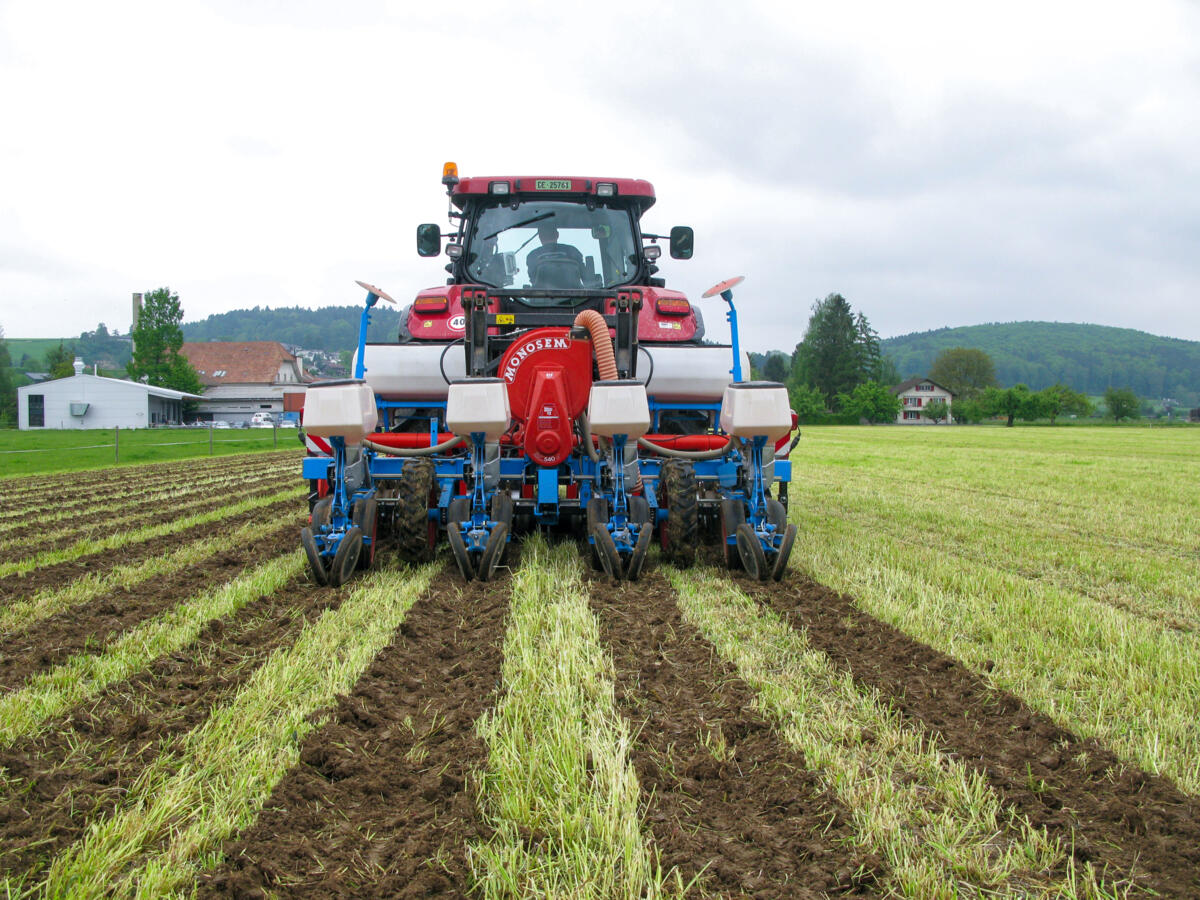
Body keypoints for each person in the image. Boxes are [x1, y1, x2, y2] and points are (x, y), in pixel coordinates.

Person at [525, 223, 584, 287]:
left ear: (540, 237)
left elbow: (533, 279)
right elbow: (586, 277)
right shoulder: (572, 251)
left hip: (541, 294)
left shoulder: (532, 255)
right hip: (574, 293)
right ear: (557, 235)